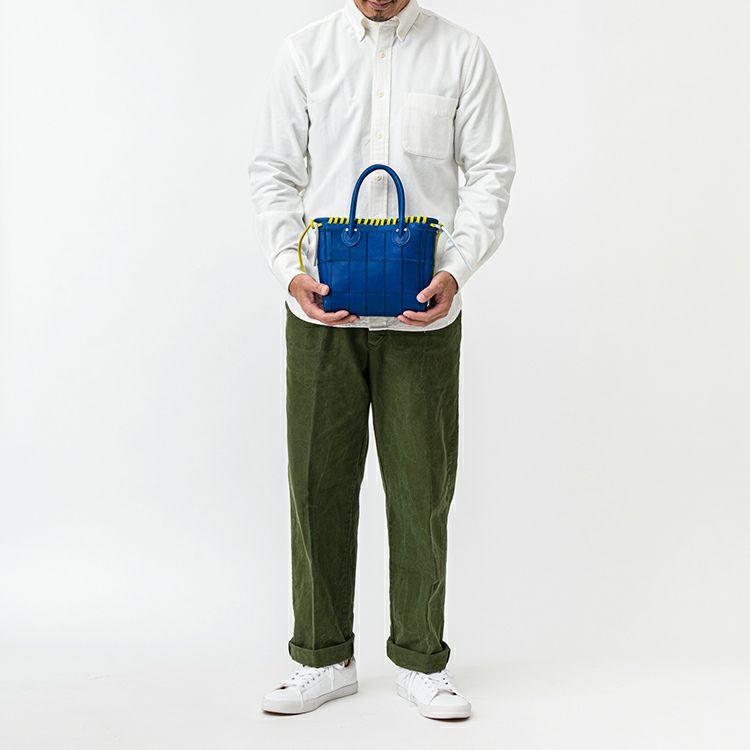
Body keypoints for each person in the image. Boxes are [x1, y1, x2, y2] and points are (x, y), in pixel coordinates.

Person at [248, 0, 515, 719]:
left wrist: (457, 269)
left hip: (423, 310)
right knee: (316, 485)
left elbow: (491, 172)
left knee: (422, 488)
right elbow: (273, 171)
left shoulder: (461, 53)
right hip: (321, 308)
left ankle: (422, 660)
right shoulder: (303, 52)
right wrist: (287, 268)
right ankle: (321, 656)